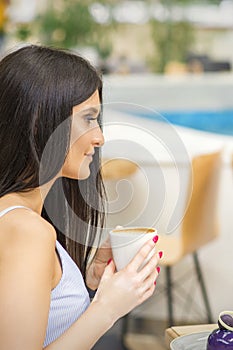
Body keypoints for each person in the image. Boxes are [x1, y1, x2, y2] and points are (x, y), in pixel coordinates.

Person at [0, 44, 162, 349]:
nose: (99, 137)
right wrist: (108, 308)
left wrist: (80, 282)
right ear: (39, 122)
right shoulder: (28, 231)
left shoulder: (21, 218)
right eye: (89, 118)